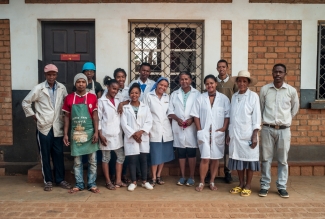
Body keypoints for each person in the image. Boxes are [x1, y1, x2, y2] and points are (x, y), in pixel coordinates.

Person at [22, 64, 71, 192]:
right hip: (44, 126)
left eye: (53, 74)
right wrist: (34, 116)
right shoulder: (39, 88)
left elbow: (66, 104)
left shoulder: (61, 87)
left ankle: (60, 179)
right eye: (49, 74)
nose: (51, 77)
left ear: (56, 75)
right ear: (45, 75)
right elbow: (25, 102)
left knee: (58, 154)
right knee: (45, 155)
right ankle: (48, 180)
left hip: (57, 126)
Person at [259, 63, 299, 198]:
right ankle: (264, 185)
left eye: (281, 72)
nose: (278, 74)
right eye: (276, 72)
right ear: (272, 73)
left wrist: (285, 120)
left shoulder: (291, 91)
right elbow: (261, 108)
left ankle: (282, 186)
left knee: (282, 160)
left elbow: (294, 109)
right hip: (267, 128)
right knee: (265, 159)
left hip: (284, 130)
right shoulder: (265, 90)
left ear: (284, 74)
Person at [191, 74, 230, 192]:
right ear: (205, 85)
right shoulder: (200, 98)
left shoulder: (223, 99)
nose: (209, 85)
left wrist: (224, 128)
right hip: (204, 132)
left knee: (215, 158)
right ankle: (202, 182)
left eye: (211, 83)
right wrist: (199, 130)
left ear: (216, 84)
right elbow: (195, 115)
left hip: (217, 133)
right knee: (205, 158)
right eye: (207, 84)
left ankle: (212, 181)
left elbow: (227, 115)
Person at [62, 73, 100, 194]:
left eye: (83, 82)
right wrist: (66, 134)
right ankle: (79, 184)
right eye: (78, 82)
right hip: (76, 133)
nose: (81, 84)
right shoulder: (69, 98)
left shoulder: (92, 97)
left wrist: (96, 132)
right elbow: (67, 117)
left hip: (90, 132)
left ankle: (92, 184)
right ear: (75, 83)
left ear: (86, 83)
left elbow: (95, 116)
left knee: (92, 161)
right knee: (77, 161)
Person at [226, 70, 261, 197]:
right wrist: (229, 134)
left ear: (248, 83)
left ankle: (248, 185)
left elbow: (256, 117)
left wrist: (255, 135)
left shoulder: (253, 97)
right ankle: (240, 184)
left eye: (244, 81)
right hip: (235, 134)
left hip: (248, 134)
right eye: (239, 81)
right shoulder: (234, 97)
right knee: (238, 160)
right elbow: (231, 116)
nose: (241, 83)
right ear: (237, 82)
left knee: (249, 160)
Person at [168, 72, 200, 186]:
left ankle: (191, 177)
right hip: (179, 126)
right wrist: (177, 119)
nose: (184, 81)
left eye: (186, 79)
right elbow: (170, 111)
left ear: (191, 80)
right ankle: (182, 176)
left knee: (191, 152)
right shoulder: (174, 94)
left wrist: (192, 119)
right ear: (179, 81)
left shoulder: (197, 94)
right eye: (181, 79)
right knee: (181, 152)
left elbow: (199, 110)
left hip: (191, 127)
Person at [121, 83, 153, 191]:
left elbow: (149, 121)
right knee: (132, 160)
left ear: (139, 94)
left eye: (136, 93)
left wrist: (140, 132)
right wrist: (134, 134)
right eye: (132, 93)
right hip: (131, 137)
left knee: (144, 159)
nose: (134, 95)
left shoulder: (145, 107)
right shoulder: (125, 108)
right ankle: (133, 181)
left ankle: (144, 181)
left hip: (142, 136)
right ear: (129, 94)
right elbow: (124, 124)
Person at [143, 77, 174, 186]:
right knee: (155, 155)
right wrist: (147, 129)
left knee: (163, 155)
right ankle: (153, 177)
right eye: (161, 85)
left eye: (165, 86)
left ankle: (159, 176)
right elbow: (144, 113)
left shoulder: (167, 97)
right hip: (153, 129)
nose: (163, 87)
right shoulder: (148, 96)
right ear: (157, 84)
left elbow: (169, 113)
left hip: (165, 129)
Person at [98, 77, 127, 190]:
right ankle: (108, 181)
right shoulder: (101, 101)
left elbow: (129, 100)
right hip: (105, 134)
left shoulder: (118, 100)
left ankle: (118, 180)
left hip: (117, 134)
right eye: (113, 88)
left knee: (121, 156)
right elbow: (98, 119)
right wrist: (100, 134)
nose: (115, 91)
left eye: (117, 89)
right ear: (108, 87)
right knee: (106, 158)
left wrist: (122, 103)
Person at [216, 59, 237, 184]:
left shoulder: (232, 82)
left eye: (223, 67)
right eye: (219, 67)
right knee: (215, 144)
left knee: (227, 147)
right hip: (216, 117)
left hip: (229, 117)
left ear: (227, 68)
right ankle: (210, 171)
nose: (221, 69)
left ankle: (227, 171)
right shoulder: (214, 82)